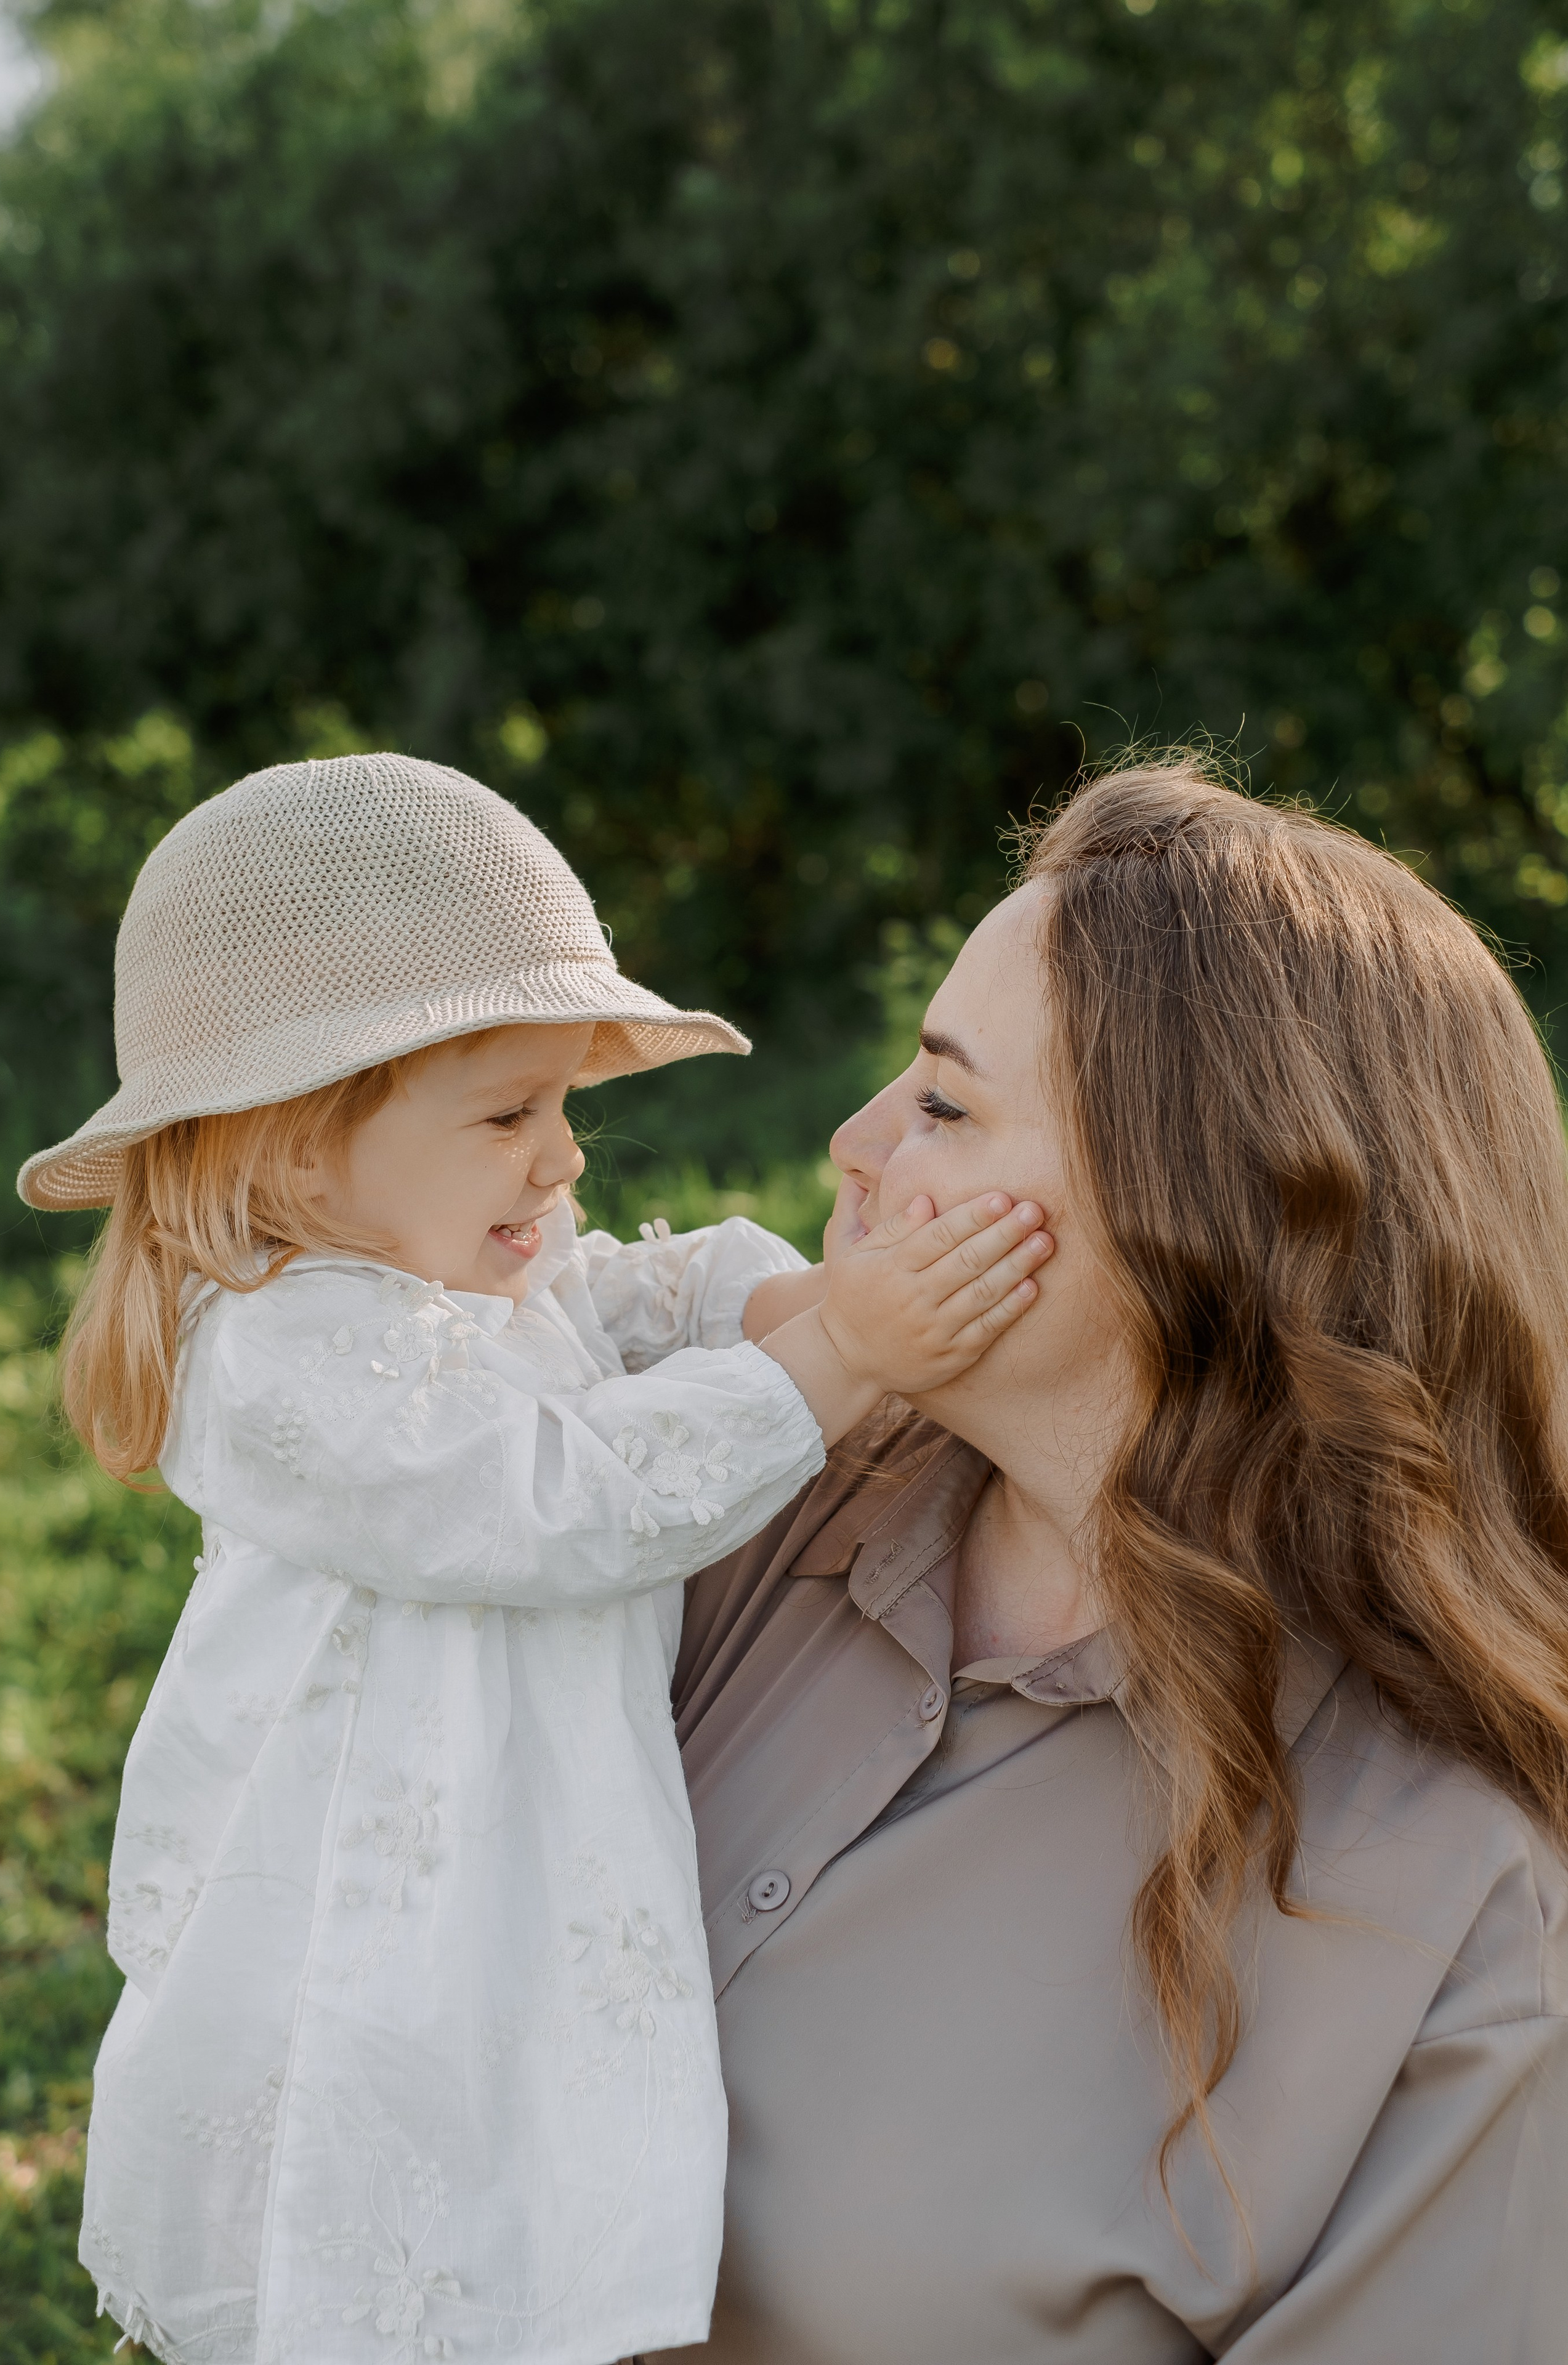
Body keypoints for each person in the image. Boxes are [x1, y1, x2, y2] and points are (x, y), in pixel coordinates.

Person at [18, 752, 1051, 2365]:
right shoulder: (280, 1362)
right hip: (369, 1936)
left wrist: (774, 1307)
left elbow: (640, 1297)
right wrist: (839, 1363)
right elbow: (556, 1492)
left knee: (521, 2203)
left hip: (510, 1904)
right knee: (376, 2229)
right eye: (509, 1114)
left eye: (566, 1102)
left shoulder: (475, 1272)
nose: (563, 1159)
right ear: (293, 1150)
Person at [657, 758, 1568, 2365]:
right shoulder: (718, 1503)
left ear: (1202, 1222)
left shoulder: (1467, 1911)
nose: (852, 1144)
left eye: (943, 1103)